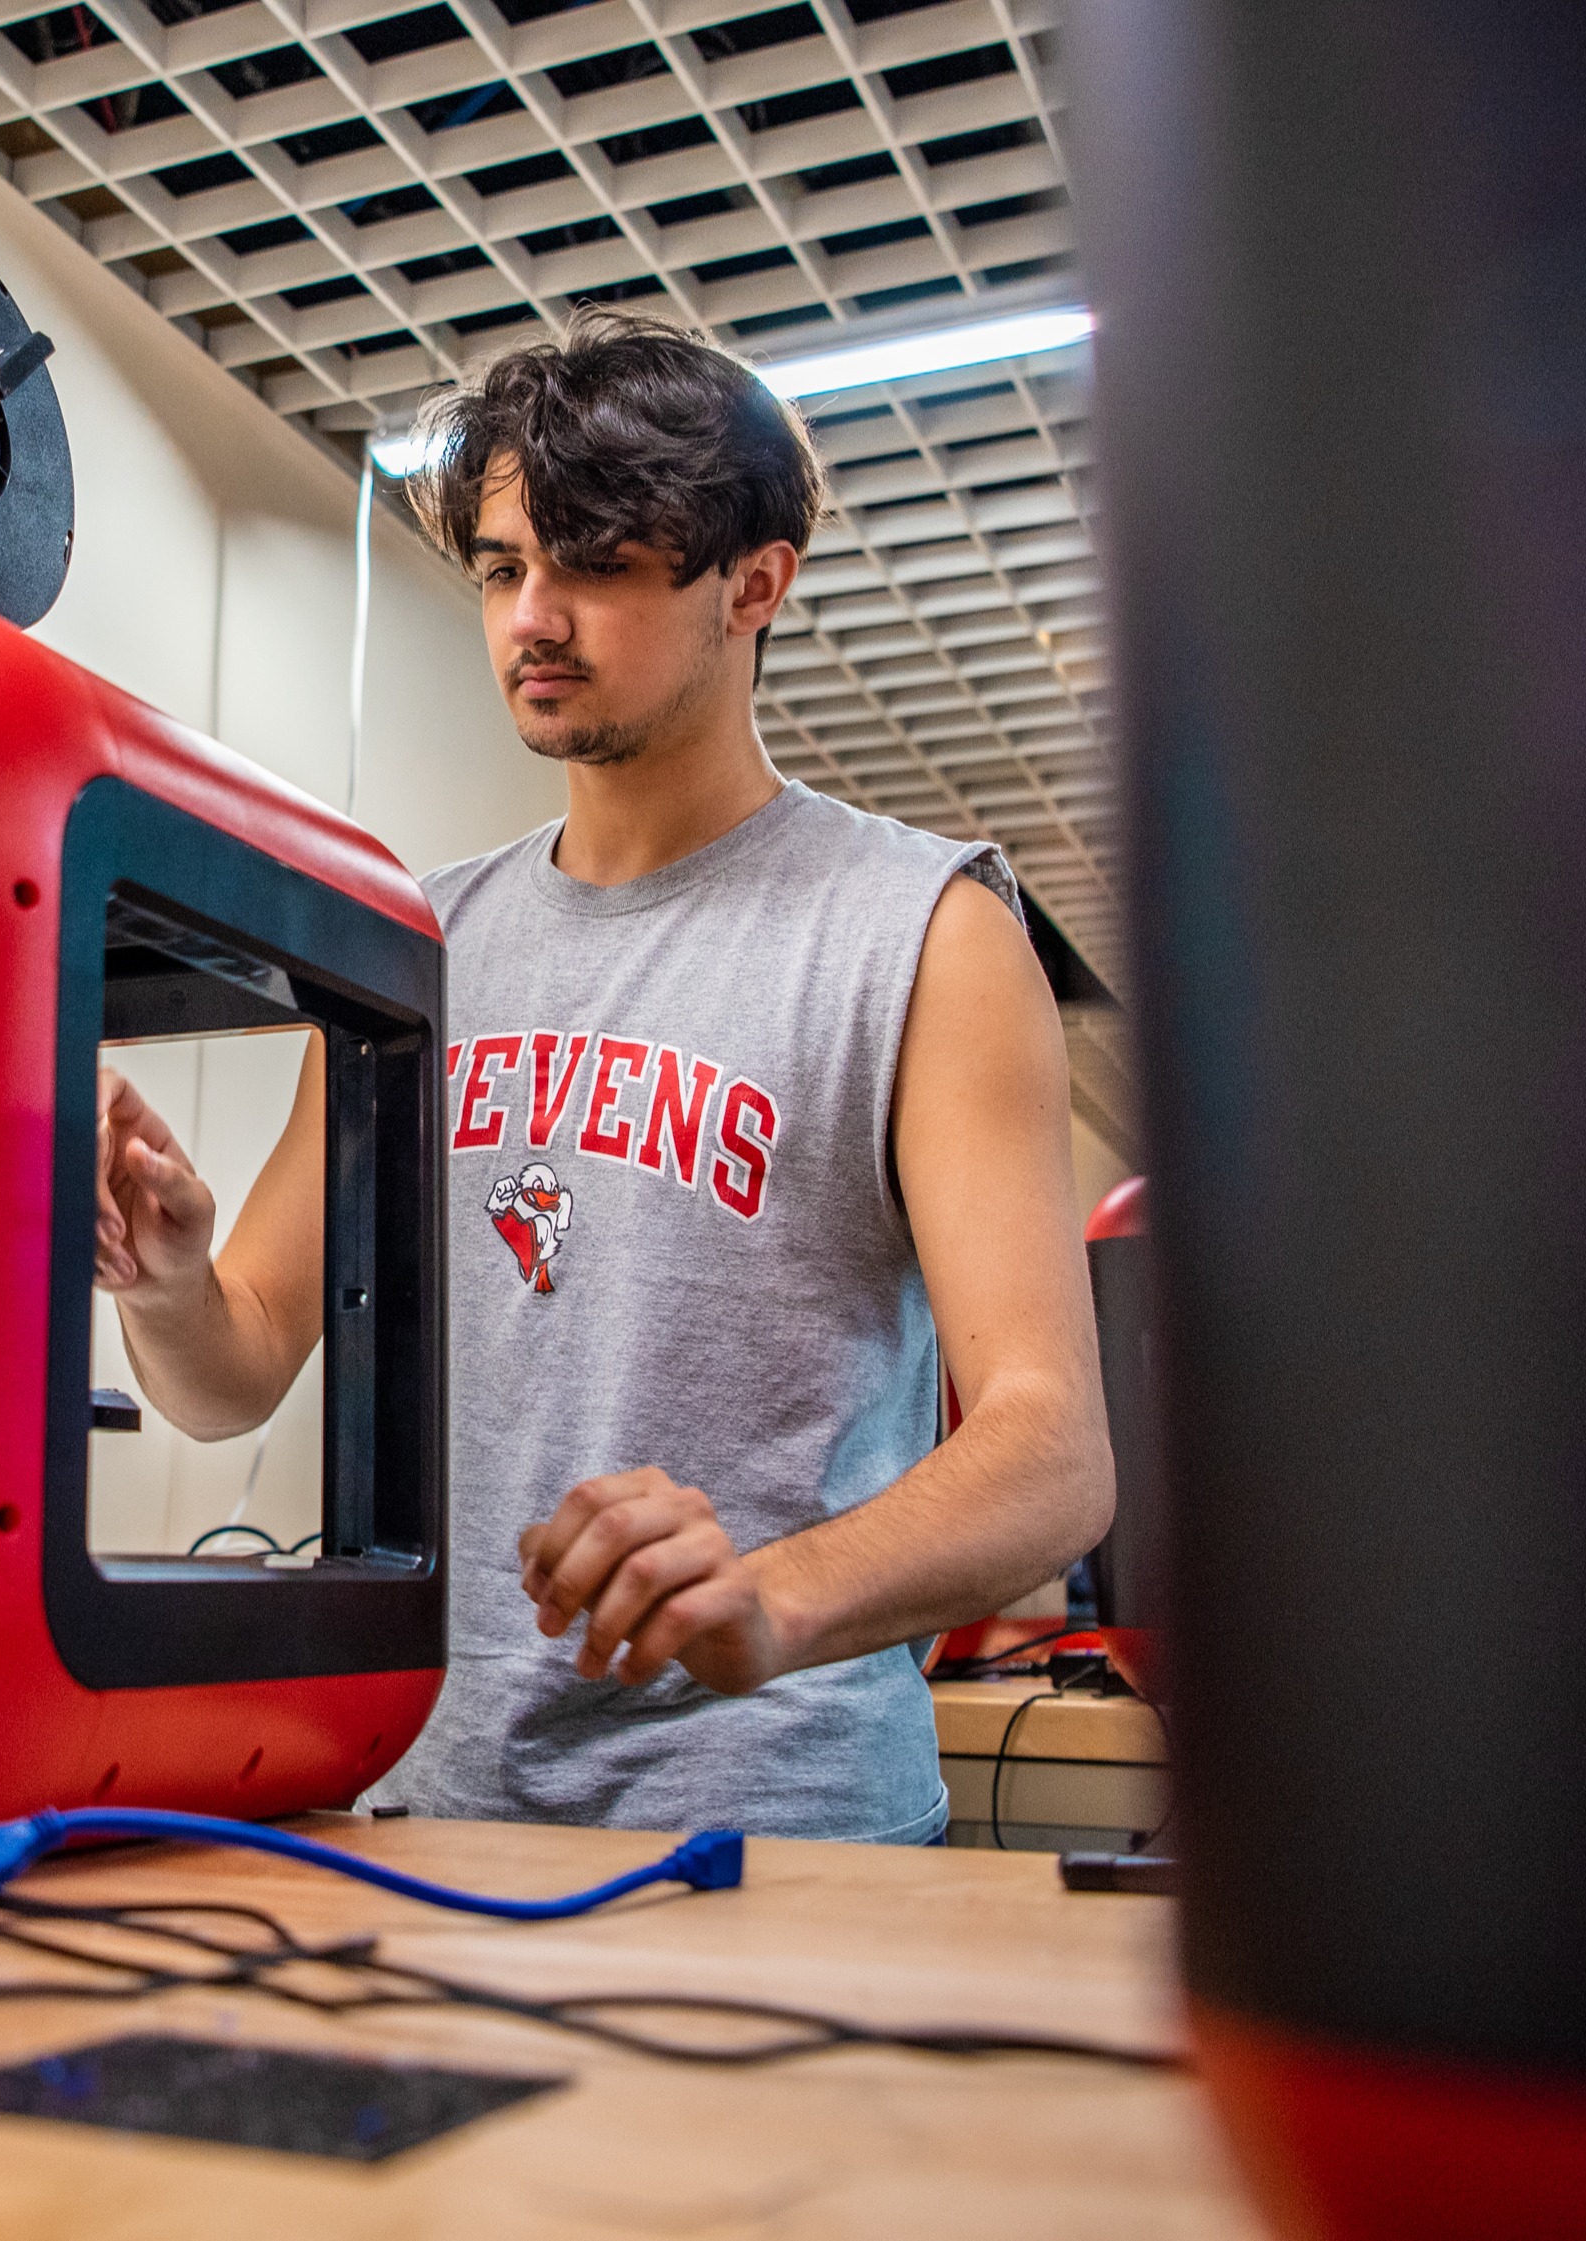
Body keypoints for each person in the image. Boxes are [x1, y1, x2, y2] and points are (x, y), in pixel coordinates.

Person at [90, 310, 1114, 1842]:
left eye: (599, 562)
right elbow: (233, 1370)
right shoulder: (410, 939)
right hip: (428, 1805)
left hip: (769, 1822)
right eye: (504, 567)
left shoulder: (926, 932)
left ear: (752, 583)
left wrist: (769, 1596)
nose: (532, 616)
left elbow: (1049, 1455)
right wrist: (165, 1279)